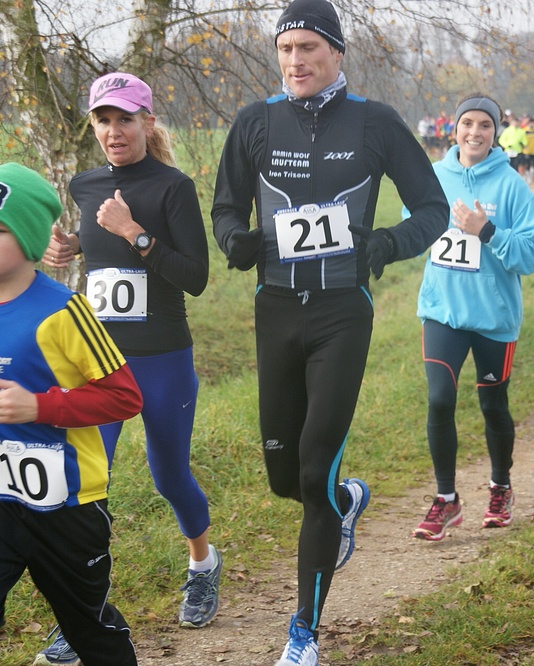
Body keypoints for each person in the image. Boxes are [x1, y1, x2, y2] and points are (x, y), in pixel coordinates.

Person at [209, 0, 450, 663]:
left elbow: (433, 209)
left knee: (314, 470)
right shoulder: (255, 122)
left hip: (342, 313)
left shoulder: (375, 122)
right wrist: (234, 239)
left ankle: (303, 635)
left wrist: (389, 243)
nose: (295, 61)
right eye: (285, 49)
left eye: (308, 47)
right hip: (276, 310)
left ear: (337, 52)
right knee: (284, 477)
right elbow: (225, 207)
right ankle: (346, 500)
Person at [0, 162, 143, 665]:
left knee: (89, 632)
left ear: (28, 237)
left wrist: (40, 405)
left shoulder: (65, 311)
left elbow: (125, 398)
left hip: (69, 504)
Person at [37, 72, 219, 664]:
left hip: (162, 358)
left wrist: (135, 234)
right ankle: (83, 612)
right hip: (99, 361)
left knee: (169, 477)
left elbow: (196, 277)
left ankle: (203, 565)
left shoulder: (173, 187)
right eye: (103, 121)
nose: (113, 131)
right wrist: (70, 248)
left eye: (124, 119)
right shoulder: (85, 184)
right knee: (87, 483)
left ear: (147, 122)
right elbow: (100, 251)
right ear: (93, 126)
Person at [409, 94, 534, 541]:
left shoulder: (512, 186)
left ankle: (500, 488)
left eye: (484, 125)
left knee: (493, 405)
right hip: (443, 312)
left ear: (496, 132)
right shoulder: (433, 177)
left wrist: (486, 231)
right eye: (467, 123)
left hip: (493, 317)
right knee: (439, 399)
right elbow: (414, 227)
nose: (475, 132)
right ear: (454, 129)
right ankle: (446, 499)